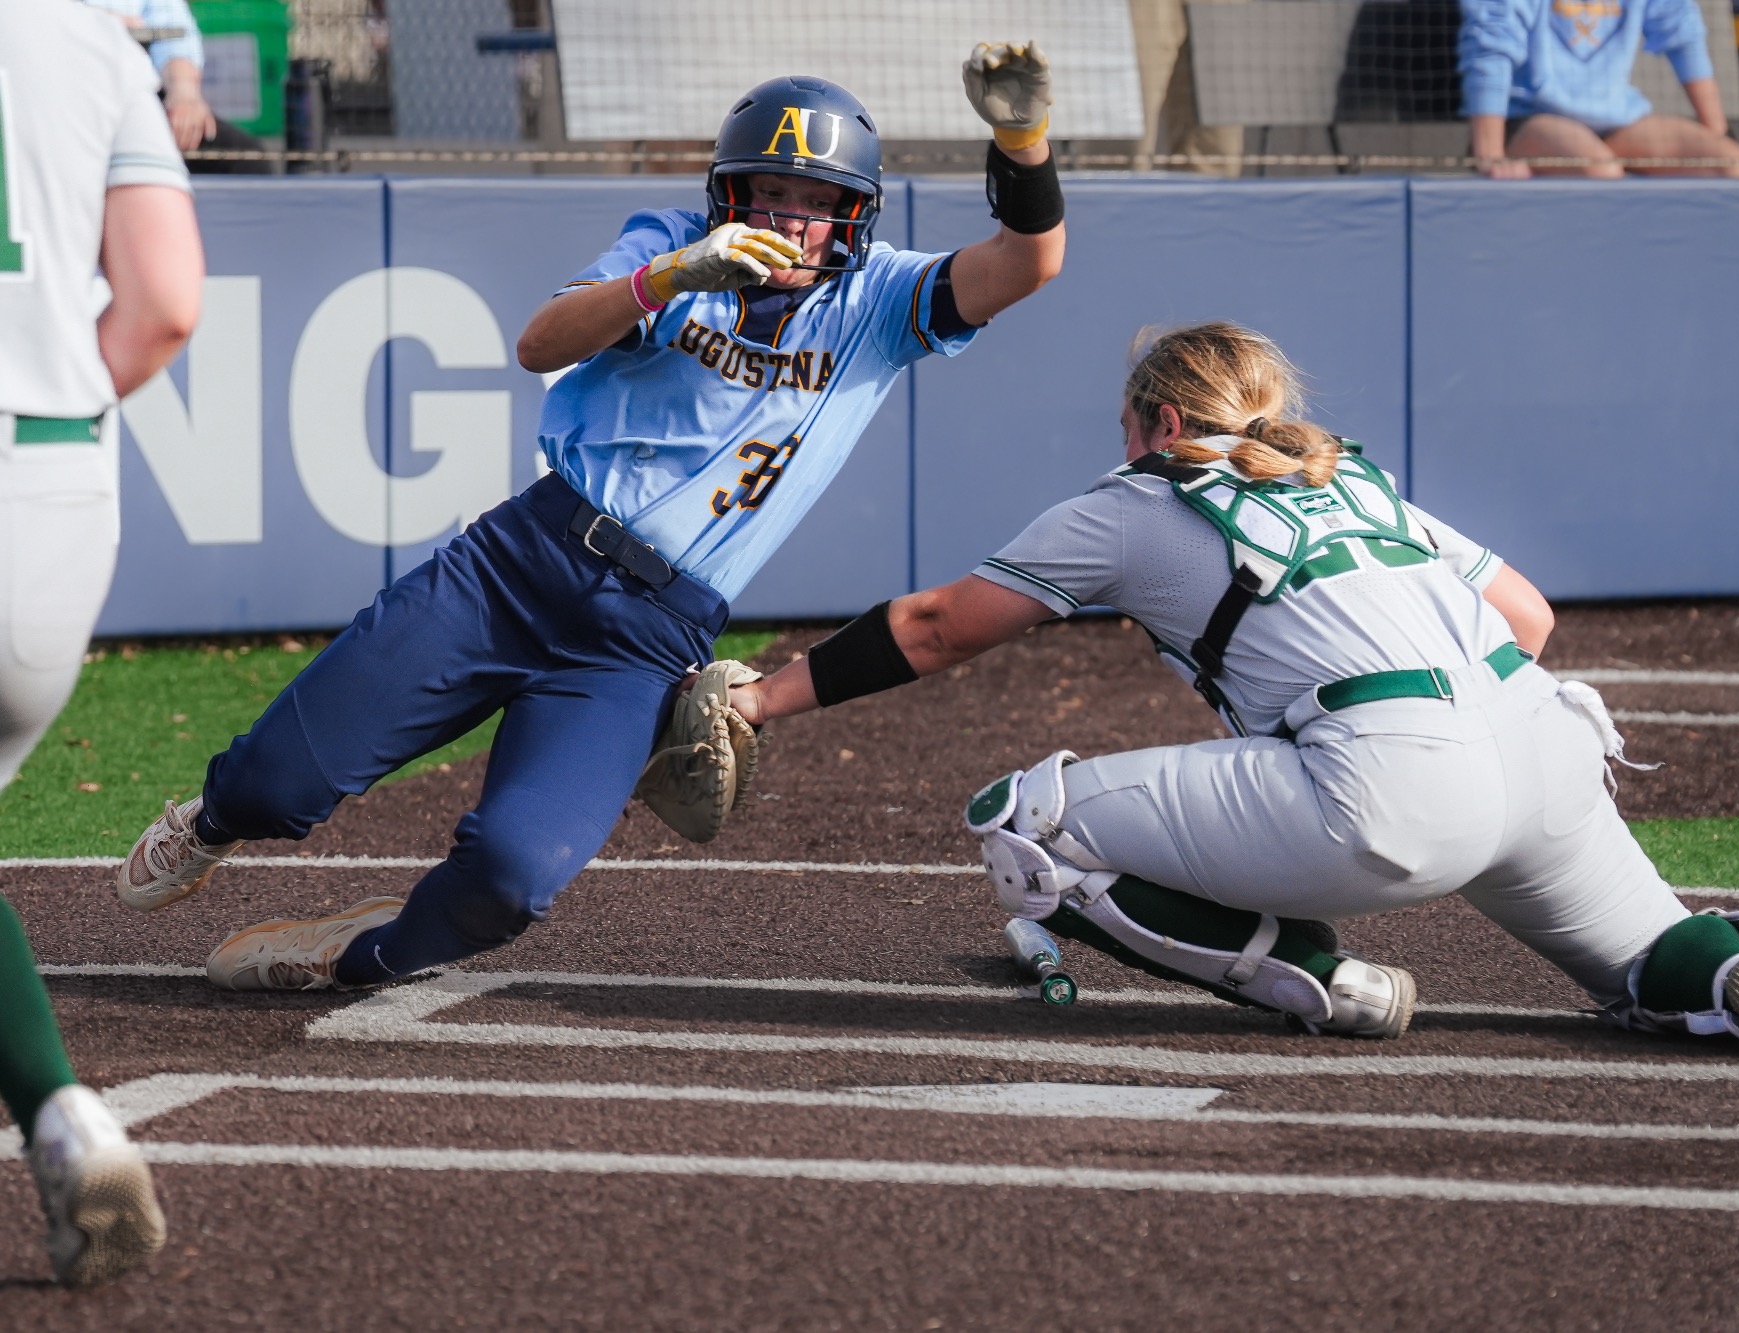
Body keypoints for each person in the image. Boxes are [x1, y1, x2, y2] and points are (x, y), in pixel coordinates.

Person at [721, 322, 1739, 1063]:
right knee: (1641, 958)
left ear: (1154, 417)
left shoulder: (1135, 494)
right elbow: (1527, 618)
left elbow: (938, 629)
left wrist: (757, 703)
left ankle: (1320, 976)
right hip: (1538, 745)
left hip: (1390, 780)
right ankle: (1729, 977)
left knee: (1022, 819)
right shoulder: (1353, 479)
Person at [114, 48, 1068, 992]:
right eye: (770, 192)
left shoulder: (879, 299)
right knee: (276, 783)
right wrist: (672, 275)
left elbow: (1027, 264)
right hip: (522, 563)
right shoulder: (672, 240)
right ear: (726, 194)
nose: (793, 219)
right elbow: (540, 343)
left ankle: (354, 951)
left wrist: (1023, 145)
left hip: (648, 638)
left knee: (511, 881)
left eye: (817, 201)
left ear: (852, 217)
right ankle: (210, 820)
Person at [2, 0, 204, 1286]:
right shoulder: (90, 32)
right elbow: (166, 305)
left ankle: (64, 1115)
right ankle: (63, 1122)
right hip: (52, 495)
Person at [1458, 0, 1739, 178]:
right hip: (1528, 120)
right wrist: (1491, 157)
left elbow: (1683, 33)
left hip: (1617, 122)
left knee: (1738, 168)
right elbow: (1490, 48)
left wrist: (1717, 133)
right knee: (1600, 171)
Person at [85, 0, 271, 173]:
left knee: (249, 161)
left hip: (136, 97)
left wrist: (184, 94)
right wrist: (95, 23)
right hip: (72, 102)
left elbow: (174, 35)